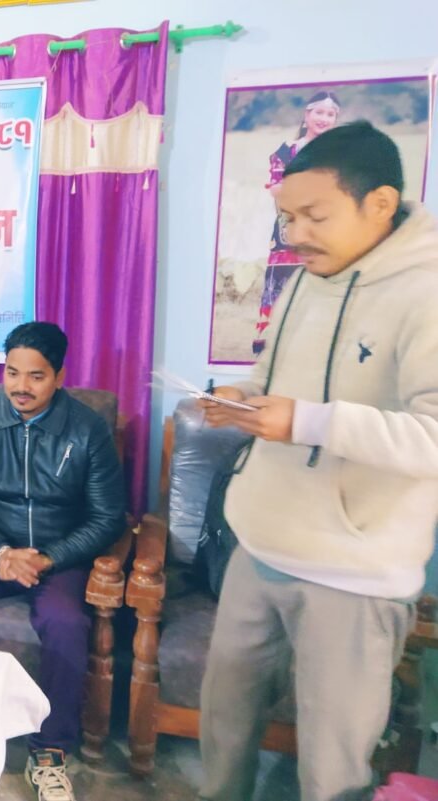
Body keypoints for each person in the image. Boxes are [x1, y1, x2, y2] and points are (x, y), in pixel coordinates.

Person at [199, 121, 438, 801]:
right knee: (224, 728)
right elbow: (274, 375)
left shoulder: (426, 291)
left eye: (314, 216)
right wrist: (242, 398)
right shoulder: (308, 276)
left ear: (380, 203)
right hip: (259, 545)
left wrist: (306, 422)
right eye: (287, 217)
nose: (296, 235)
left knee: (331, 768)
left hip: (354, 572)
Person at [0, 321, 125, 801]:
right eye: (12, 372)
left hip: (59, 553)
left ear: (59, 377)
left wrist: (49, 557)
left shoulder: (87, 429)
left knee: (66, 621)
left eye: (36, 376)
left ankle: (50, 751)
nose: (21, 386)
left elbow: (108, 517)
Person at [252, 91, 340, 355]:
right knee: (283, 283)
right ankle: (274, 343)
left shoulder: (341, 154)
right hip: (288, 229)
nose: (324, 119)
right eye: (319, 112)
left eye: (330, 114)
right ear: (307, 115)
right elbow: (276, 189)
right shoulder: (286, 151)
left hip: (326, 230)